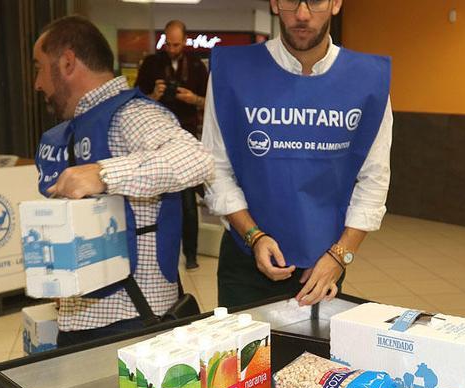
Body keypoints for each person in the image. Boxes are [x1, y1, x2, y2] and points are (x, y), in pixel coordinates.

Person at [32, 16, 213, 346]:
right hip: (84, 321)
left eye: (40, 67)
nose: (38, 83)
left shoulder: (132, 116)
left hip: (130, 326)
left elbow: (196, 158)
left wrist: (103, 174)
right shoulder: (74, 128)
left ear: (68, 62)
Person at [203, 0, 393, 308]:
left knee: (314, 356)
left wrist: (340, 255)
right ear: (275, 3)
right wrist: (254, 236)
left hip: (324, 265)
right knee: (248, 356)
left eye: (316, 0)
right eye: (291, 0)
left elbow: (374, 177)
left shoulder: (369, 79)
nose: (303, 14)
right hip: (245, 257)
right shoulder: (231, 71)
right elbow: (213, 167)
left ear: (335, 4)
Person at [136, 20, 209, 272]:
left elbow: (210, 103)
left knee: (188, 203)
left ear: (185, 41)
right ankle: (155, 255)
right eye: (168, 43)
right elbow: (136, 103)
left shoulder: (198, 67)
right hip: (155, 140)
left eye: (176, 44)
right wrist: (154, 96)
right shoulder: (151, 64)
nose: (172, 48)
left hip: (186, 140)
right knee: (155, 203)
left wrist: (193, 98)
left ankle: (190, 254)